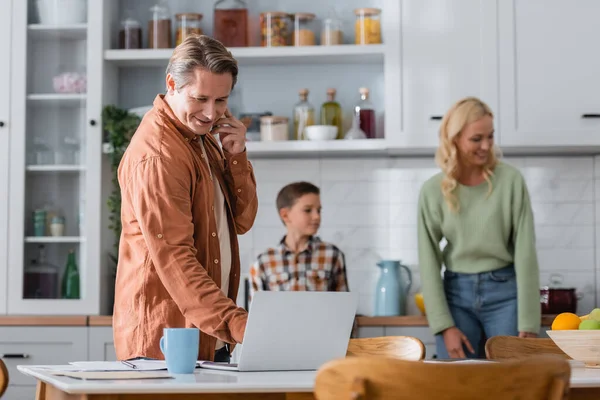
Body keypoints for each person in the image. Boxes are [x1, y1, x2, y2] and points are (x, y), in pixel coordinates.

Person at [113, 35, 258, 364]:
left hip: (205, 335)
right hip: (163, 344)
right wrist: (241, 325)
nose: (211, 113)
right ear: (172, 84)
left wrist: (236, 157)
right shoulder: (160, 156)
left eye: (221, 100)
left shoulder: (200, 137)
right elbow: (176, 258)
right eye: (200, 98)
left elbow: (242, 222)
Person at [417, 96, 540, 359]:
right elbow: (428, 261)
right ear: (455, 139)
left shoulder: (510, 181)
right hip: (455, 296)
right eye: (476, 139)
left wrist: (528, 321)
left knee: (513, 383)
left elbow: (525, 252)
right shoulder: (432, 191)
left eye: (491, 137)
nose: (486, 146)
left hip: (506, 295)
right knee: (455, 386)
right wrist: (444, 325)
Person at [249, 182, 349, 299]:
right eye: (308, 210)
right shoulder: (263, 261)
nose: (317, 216)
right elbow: (257, 313)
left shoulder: (333, 255)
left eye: (319, 210)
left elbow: (344, 309)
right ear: (285, 215)